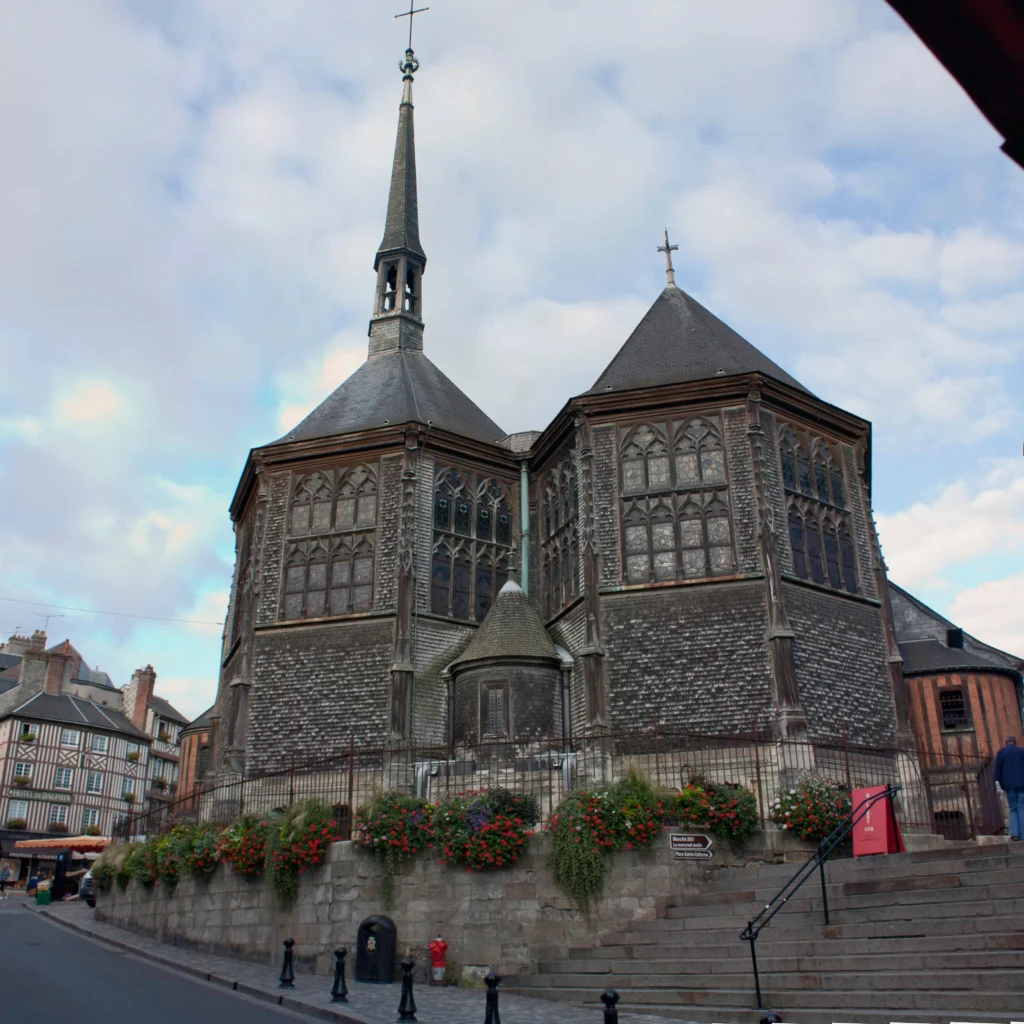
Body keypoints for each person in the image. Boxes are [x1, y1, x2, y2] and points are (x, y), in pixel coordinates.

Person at [993, 736, 1024, 841]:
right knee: (1021, 807)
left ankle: (1015, 834)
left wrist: (998, 786)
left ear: (1006, 743)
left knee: (1013, 808)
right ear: (1015, 742)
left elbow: (997, 770)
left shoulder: (1001, 752)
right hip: (1022, 784)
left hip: (1009, 786)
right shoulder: (1021, 751)